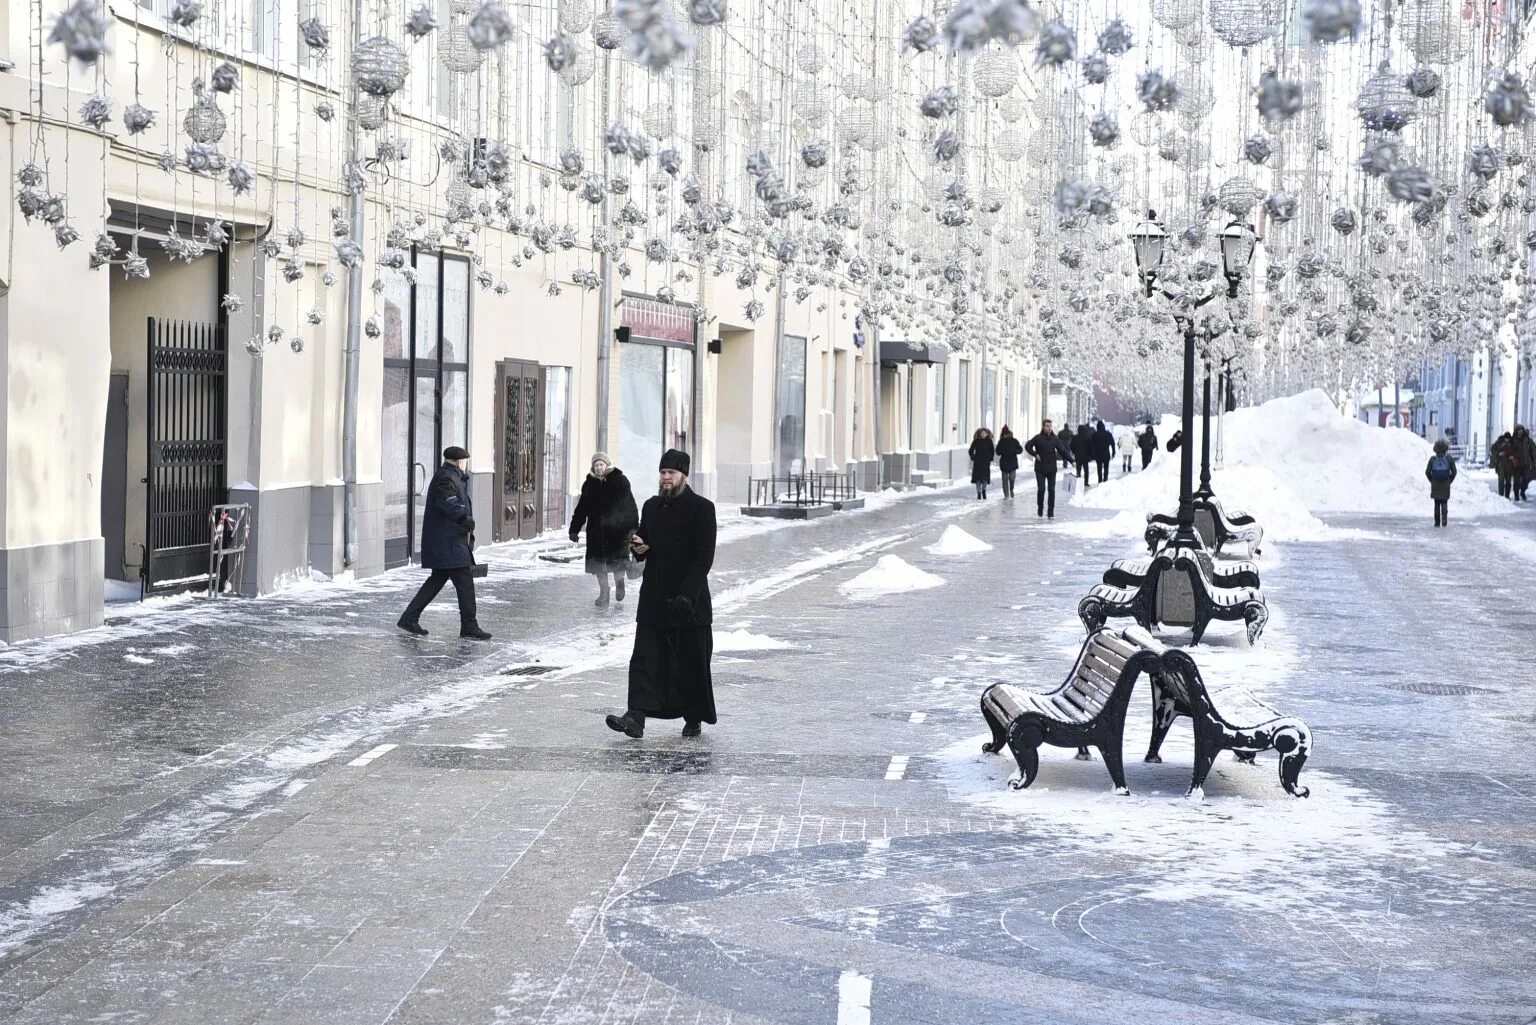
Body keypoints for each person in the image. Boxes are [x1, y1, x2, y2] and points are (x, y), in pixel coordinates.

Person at [606, 449, 717, 740]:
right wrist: (639, 546)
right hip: (654, 598)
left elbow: (703, 557)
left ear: (684, 475)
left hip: (688, 602)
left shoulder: (703, 509)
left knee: (690, 662)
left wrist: (687, 596)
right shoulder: (652, 506)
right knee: (644, 659)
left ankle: (693, 717)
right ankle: (636, 717)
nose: (666, 478)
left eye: (672, 473)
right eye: (663, 472)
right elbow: (645, 541)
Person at [397, 446, 491, 640]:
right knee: (465, 582)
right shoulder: (446, 478)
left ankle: (409, 617)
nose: (465, 465)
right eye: (465, 461)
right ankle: (469, 626)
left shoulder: (452, 476)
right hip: (448, 542)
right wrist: (463, 518)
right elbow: (447, 501)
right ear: (459, 462)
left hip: (449, 540)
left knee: (437, 579)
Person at [569, 452, 640, 607]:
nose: (599, 467)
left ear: (607, 465)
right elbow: (581, 508)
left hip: (617, 531)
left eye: (601, 464)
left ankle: (619, 582)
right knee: (598, 564)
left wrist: (633, 528)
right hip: (596, 532)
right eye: (596, 465)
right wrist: (574, 529)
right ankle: (604, 592)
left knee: (618, 561)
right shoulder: (589, 484)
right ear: (593, 467)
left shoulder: (620, 481)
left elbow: (630, 506)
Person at [1024, 419, 1065, 518]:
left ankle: (1051, 511)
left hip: (1051, 468)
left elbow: (1062, 451)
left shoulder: (1055, 439)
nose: (1049, 428)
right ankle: (1040, 508)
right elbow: (1027, 446)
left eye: (1050, 426)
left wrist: (1072, 461)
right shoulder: (1038, 438)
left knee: (1051, 490)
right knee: (1041, 489)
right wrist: (1035, 454)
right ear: (1043, 427)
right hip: (1040, 468)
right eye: (1047, 426)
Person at [1425, 438, 1457, 527]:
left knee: (1436, 503)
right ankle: (1444, 519)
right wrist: (1449, 480)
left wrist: (1432, 480)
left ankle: (1437, 522)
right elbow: (1454, 471)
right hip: (1445, 483)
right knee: (1444, 502)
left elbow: (1427, 472)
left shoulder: (1432, 459)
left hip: (1435, 483)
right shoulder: (1449, 459)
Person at [995, 426, 1023, 499]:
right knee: (1004, 480)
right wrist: (1002, 452)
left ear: (1009, 433)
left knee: (1012, 478)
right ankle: (1006, 495)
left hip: (1012, 462)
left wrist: (1014, 451)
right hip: (1004, 462)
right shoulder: (1001, 442)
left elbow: (1020, 449)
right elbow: (997, 451)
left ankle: (1011, 489)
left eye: (1006, 434)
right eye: (1004, 434)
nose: (1005, 435)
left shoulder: (1014, 441)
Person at [968, 427, 995, 499]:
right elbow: (971, 450)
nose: (983, 435)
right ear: (980, 434)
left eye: (984, 433)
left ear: (987, 434)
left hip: (986, 462)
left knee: (985, 478)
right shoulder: (976, 441)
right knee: (978, 479)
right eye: (982, 433)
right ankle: (979, 493)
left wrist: (990, 459)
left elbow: (992, 451)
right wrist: (973, 457)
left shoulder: (989, 441)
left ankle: (984, 490)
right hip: (978, 462)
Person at [1513, 424, 1536, 502]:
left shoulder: (1528, 440)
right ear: (1516, 431)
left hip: (1526, 464)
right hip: (1517, 464)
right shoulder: (1513, 440)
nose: (1520, 432)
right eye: (1518, 431)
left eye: (1521, 430)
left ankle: (1522, 492)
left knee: (1526, 480)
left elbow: (1533, 450)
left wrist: (1534, 460)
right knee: (1516, 480)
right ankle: (1516, 494)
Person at [1492, 431, 1515, 499]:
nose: (1507, 440)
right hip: (1501, 463)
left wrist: (1513, 456)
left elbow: (1517, 451)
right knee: (1501, 481)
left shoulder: (1512, 443)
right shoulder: (1499, 442)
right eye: (1506, 439)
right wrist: (1498, 454)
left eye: (1508, 439)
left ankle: (1507, 496)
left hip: (1509, 464)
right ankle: (1501, 496)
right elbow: (1492, 449)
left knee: (1508, 481)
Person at [1070, 422, 1093, 487]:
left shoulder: (1075, 437)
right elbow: (1090, 447)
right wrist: (1090, 455)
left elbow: (1071, 446)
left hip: (1078, 456)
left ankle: (1079, 480)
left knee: (1078, 470)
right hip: (1085, 457)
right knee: (1086, 470)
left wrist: (1074, 452)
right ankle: (1086, 482)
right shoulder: (1087, 437)